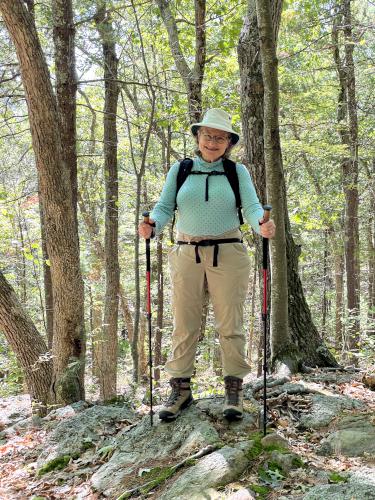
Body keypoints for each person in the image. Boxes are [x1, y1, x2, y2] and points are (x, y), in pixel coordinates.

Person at [138, 108, 275, 421]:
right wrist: (152, 226)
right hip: (186, 253)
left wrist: (262, 226)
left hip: (228, 253)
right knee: (184, 324)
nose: (213, 142)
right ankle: (180, 389)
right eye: (208, 136)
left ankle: (234, 390)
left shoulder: (235, 172)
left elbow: (253, 207)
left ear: (228, 142)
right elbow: (163, 207)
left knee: (230, 323)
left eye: (220, 137)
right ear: (198, 137)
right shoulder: (181, 169)